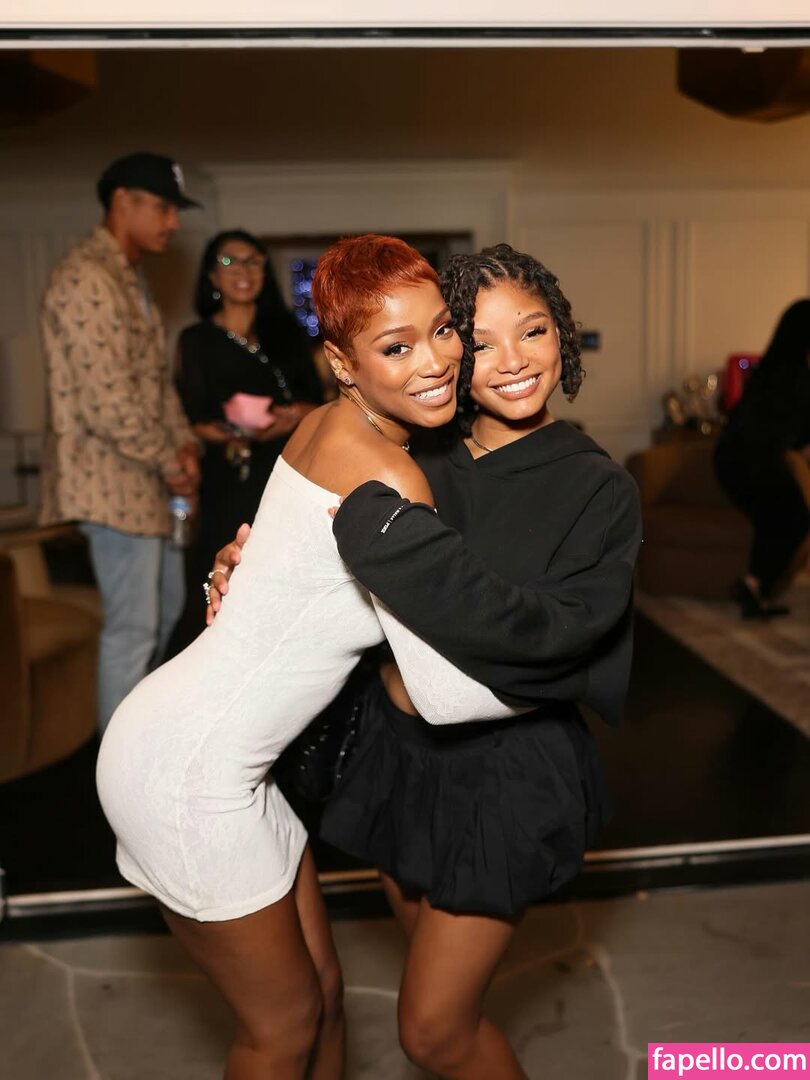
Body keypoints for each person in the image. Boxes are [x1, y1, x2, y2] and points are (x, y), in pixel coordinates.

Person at [98, 235, 532, 1079]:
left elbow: (278, 584)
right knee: (282, 1027)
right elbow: (443, 696)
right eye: (396, 347)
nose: (436, 361)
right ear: (341, 362)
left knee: (326, 995)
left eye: (443, 330)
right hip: (190, 773)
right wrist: (566, 664)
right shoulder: (391, 480)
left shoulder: (325, 425)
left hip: (203, 744)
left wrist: (229, 574)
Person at [209, 243, 642, 1079]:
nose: (513, 360)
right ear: (452, 351)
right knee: (440, 1002)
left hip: (503, 774)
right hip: (398, 759)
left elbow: (566, 632)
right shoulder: (413, 453)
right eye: (479, 340)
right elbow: (321, 573)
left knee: (433, 1032)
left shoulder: (596, 486)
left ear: (562, 334)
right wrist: (240, 569)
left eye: (534, 330)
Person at [39, 151, 201, 734]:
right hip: (110, 481)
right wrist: (169, 460)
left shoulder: (128, 279)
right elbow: (107, 402)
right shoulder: (87, 277)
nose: (172, 223)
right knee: (133, 630)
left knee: (165, 612)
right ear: (121, 202)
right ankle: (119, 770)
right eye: (161, 207)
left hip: (147, 480)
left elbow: (153, 385)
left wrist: (184, 448)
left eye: (174, 211)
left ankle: (138, 743)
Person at [174, 229, 323, 640]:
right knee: (221, 579)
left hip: (287, 467)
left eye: (254, 261)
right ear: (211, 276)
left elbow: (318, 402)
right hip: (229, 474)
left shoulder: (287, 333)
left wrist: (291, 416)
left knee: (287, 578)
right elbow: (194, 417)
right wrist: (241, 431)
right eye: (230, 261)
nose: (243, 270)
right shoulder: (196, 341)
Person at [714, 298, 810, 619]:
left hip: (730, 459)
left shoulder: (765, 371)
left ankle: (755, 592)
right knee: (794, 520)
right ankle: (753, 585)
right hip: (758, 462)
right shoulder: (798, 378)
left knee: (772, 521)